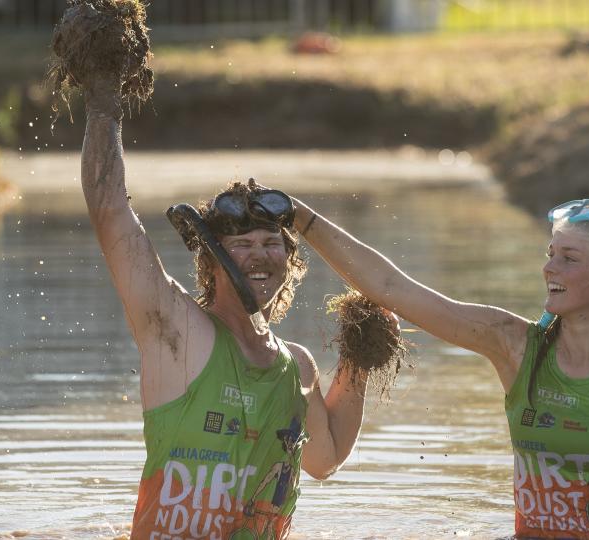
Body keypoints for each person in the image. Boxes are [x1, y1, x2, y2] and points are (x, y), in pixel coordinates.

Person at [287, 185, 589, 538]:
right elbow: (393, 289)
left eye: (568, 259)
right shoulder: (513, 346)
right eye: (550, 254)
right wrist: (300, 218)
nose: (548, 268)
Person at [79, 76, 372, 539]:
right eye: (241, 244)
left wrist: (360, 357)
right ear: (209, 261)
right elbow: (109, 210)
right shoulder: (177, 330)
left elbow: (324, 458)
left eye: (271, 243)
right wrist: (104, 100)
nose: (259, 255)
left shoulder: (297, 366)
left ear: (290, 261)